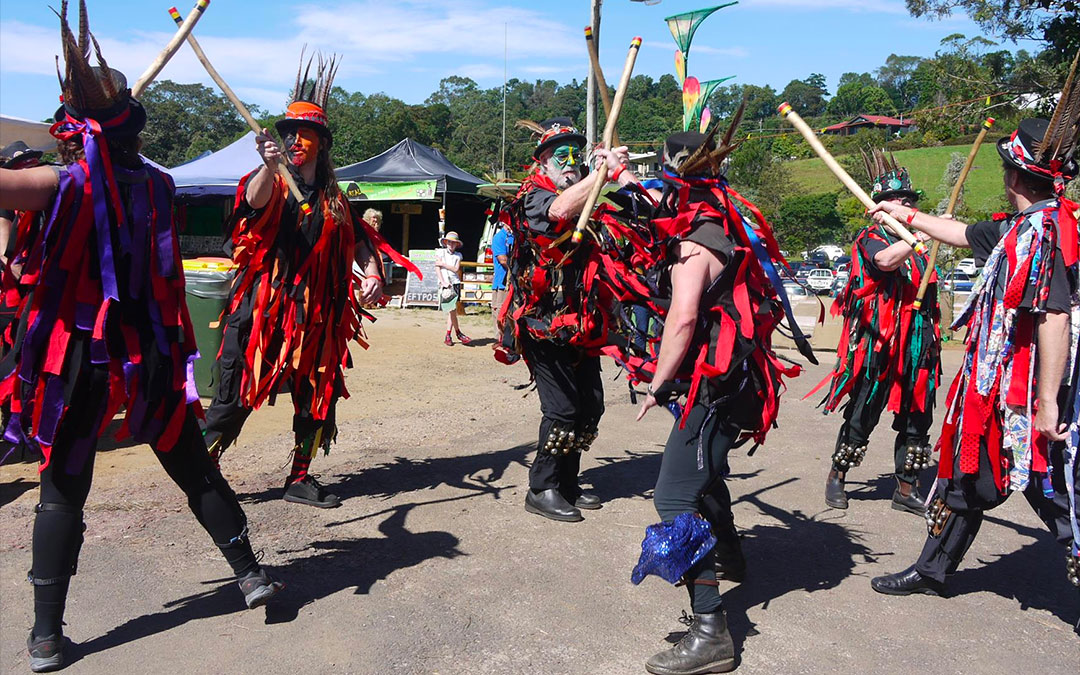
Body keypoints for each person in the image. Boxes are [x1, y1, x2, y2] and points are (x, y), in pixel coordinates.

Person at [0, 4, 281, 670]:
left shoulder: (63, 183)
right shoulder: (158, 185)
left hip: (84, 365)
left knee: (62, 489)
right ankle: (250, 574)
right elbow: (246, 202)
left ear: (77, 128)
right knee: (191, 465)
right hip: (150, 355)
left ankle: (45, 636)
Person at [865, 116, 1080, 622]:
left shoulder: (1046, 235)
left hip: (1032, 390)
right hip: (1001, 388)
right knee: (970, 473)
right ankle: (933, 569)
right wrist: (905, 215)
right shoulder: (1025, 226)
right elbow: (961, 232)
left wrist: (1046, 401)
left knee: (1052, 488)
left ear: (1013, 177)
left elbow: (1053, 317)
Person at [625, 130, 805, 675]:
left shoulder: (694, 242)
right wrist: (617, 176)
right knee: (705, 478)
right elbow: (653, 202)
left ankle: (711, 630)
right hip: (738, 382)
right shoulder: (722, 223)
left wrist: (657, 384)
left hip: (714, 388)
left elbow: (682, 319)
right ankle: (730, 555)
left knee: (674, 497)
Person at [202, 50, 416, 508]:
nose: (296, 141)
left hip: (321, 315)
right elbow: (253, 207)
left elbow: (358, 238)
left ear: (322, 142)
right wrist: (267, 165)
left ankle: (300, 476)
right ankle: (203, 471)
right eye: (290, 134)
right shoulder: (271, 181)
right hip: (269, 308)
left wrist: (373, 270)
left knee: (317, 398)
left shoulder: (334, 195)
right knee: (236, 392)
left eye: (306, 135)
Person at [502, 117, 637, 522]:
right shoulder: (534, 197)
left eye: (576, 155)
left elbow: (632, 213)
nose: (570, 161)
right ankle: (541, 487)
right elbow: (560, 211)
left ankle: (567, 483)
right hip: (543, 324)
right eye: (560, 155)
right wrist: (600, 172)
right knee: (561, 409)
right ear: (541, 163)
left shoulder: (589, 201)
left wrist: (619, 173)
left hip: (582, 325)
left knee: (590, 405)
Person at [814, 152, 941, 515]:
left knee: (919, 412)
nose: (906, 204)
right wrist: (921, 233)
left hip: (917, 340)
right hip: (879, 342)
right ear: (880, 206)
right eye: (899, 200)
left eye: (910, 200)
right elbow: (884, 262)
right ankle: (837, 475)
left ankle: (906, 486)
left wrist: (926, 234)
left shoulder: (920, 246)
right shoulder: (871, 236)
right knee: (864, 409)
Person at [436, 230, 470, 346]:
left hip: (455, 283)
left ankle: (452, 334)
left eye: (453, 243)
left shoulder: (458, 256)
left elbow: (456, 269)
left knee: (452, 311)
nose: (451, 245)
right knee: (451, 310)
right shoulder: (440, 253)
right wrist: (442, 282)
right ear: (445, 243)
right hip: (446, 284)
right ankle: (455, 333)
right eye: (449, 242)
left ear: (456, 244)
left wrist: (443, 264)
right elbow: (437, 268)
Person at [490, 219, 513, 337]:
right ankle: (501, 340)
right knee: (500, 312)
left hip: (515, 283)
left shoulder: (516, 238)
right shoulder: (499, 238)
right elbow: (503, 260)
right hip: (502, 284)